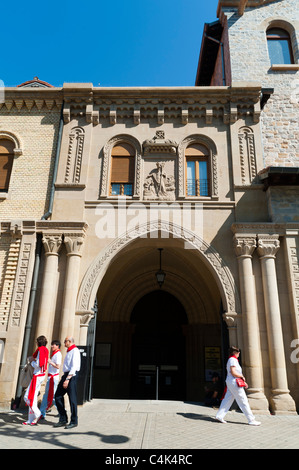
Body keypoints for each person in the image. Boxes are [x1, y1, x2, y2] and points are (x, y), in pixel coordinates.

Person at [215, 346, 261, 426]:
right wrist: (241, 377)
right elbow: (233, 372)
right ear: (236, 352)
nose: (239, 353)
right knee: (243, 400)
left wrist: (242, 379)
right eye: (238, 352)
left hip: (232, 382)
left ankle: (219, 416)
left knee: (228, 399)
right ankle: (251, 419)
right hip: (234, 382)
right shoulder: (232, 360)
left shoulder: (231, 359)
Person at [54, 336, 81, 429]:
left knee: (72, 399)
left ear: (69, 341)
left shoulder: (75, 351)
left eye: (65, 341)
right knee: (57, 396)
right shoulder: (69, 351)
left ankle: (74, 421)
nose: (64, 343)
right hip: (66, 375)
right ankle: (63, 418)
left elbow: (74, 366)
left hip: (71, 376)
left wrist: (68, 379)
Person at [23, 335, 49, 425]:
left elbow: (38, 364)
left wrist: (31, 361)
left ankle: (37, 414)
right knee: (32, 397)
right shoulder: (45, 350)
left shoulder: (41, 350)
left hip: (37, 376)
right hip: (41, 375)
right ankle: (31, 419)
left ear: (38, 342)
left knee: (27, 397)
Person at [39, 340, 62, 419]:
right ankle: (43, 412)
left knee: (52, 396)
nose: (52, 346)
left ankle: (43, 412)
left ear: (57, 346)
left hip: (53, 378)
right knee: (50, 395)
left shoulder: (58, 354)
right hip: (51, 377)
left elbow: (58, 366)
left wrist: (50, 362)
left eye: (53, 345)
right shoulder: (55, 354)